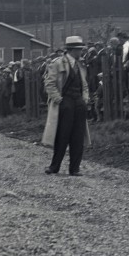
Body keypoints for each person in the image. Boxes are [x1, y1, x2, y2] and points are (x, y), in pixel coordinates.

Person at [42, 36, 92, 176]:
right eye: (78, 49)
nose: (81, 52)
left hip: (78, 102)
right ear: (71, 50)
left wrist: (85, 99)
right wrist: (59, 100)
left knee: (78, 136)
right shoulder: (57, 63)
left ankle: (74, 168)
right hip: (65, 102)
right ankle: (54, 166)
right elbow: (49, 84)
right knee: (62, 135)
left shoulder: (80, 64)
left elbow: (85, 84)